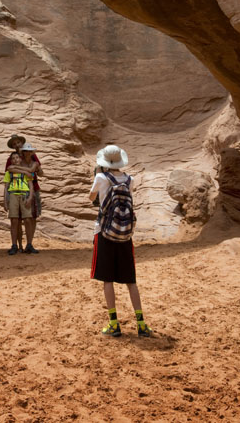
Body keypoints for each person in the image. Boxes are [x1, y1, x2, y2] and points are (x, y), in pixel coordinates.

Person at [88, 144, 152, 338]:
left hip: (104, 232)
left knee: (108, 280)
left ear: (104, 162)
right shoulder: (129, 179)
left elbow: (92, 199)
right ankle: (141, 324)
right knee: (130, 281)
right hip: (124, 234)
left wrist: (98, 177)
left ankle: (114, 323)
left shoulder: (101, 177)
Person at [2, 136, 44, 255]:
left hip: (32, 188)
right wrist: (27, 171)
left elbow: (39, 171)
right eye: (14, 144)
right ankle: (18, 245)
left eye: (18, 142)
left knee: (31, 217)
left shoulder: (32, 156)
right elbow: (9, 171)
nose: (17, 145)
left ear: (22, 143)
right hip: (17, 190)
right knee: (16, 218)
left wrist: (33, 170)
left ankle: (29, 244)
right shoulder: (12, 158)